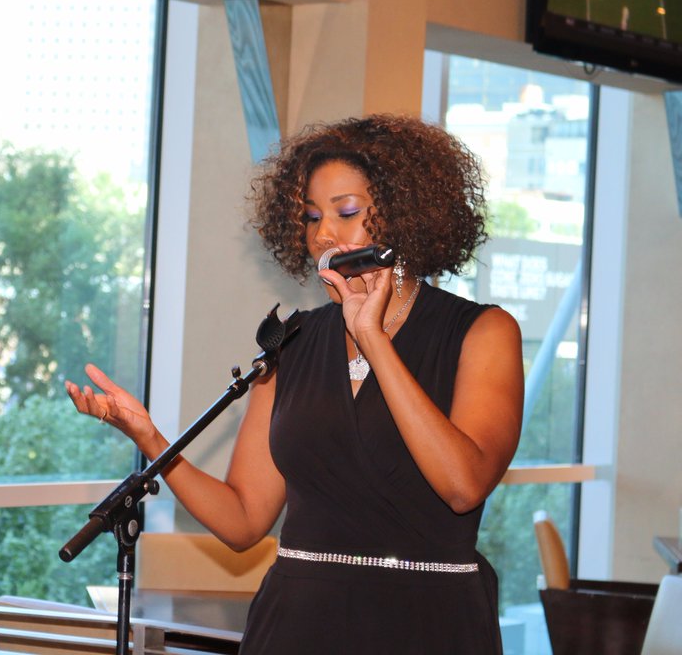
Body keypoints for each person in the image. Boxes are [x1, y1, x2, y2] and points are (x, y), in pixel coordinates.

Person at [66, 113, 524, 654]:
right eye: (310, 218)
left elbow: (462, 484)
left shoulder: (483, 332)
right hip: (297, 624)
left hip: (427, 622)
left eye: (346, 212)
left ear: (406, 217)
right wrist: (151, 440)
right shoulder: (291, 342)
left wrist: (372, 338)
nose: (323, 234)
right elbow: (243, 521)